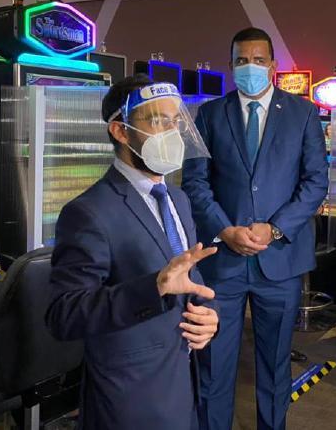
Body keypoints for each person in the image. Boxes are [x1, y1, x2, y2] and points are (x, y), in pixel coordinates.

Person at [45, 76, 219, 430]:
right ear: (121, 131)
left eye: (176, 121)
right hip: (129, 397)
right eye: (158, 121)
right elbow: (65, 313)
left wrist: (208, 317)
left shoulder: (178, 199)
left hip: (182, 380)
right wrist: (153, 287)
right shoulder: (89, 212)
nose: (172, 133)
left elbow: (188, 278)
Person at [182, 27, 329, 430]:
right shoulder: (209, 114)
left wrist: (275, 228)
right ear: (231, 65)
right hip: (221, 262)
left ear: (273, 65)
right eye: (242, 60)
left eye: (258, 60)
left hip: (279, 261)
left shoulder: (302, 114)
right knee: (213, 366)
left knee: (275, 365)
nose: (250, 67)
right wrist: (225, 229)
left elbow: (316, 182)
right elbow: (195, 182)